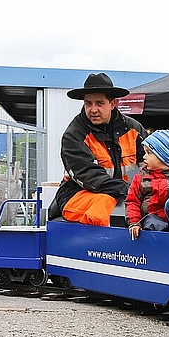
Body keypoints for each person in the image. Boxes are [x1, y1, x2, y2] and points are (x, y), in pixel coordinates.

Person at [52, 72, 147, 226]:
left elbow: (149, 164)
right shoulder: (74, 135)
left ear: (113, 103)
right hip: (80, 194)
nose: (93, 109)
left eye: (99, 103)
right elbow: (89, 176)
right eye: (88, 103)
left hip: (125, 194)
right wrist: (128, 190)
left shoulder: (134, 130)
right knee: (103, 206)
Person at [125, 129, 169, 240]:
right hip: (151, 224)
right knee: (153, 223)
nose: (144, 157)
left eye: (149, 153)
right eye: (145, 152)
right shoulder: (140, 177)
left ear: (163, 156)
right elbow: (132, 201)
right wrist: (134, 222)